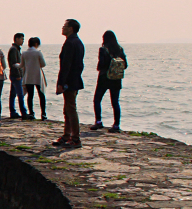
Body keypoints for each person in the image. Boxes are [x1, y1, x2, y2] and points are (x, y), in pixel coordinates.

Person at [89, 30, 128, 133]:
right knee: (115, 102)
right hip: (116, 79)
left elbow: (101, 64)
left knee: (97, 99)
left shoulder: (103, 49)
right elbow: (125, 65)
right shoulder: (120, 49)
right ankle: (116, 125)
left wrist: (99, 67)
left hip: (104, 78)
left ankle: (98, 121)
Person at [53, 19, 85, 147]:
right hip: (75, 79)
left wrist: (61, 82)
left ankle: (75, 138)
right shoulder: (78, 42)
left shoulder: (70, 43)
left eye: (64, 26)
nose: (62, 28)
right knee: (68, 109)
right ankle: (67, 135)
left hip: (70, 81)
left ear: (71, 28)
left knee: (70, 109)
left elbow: (66, 65)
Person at [22, 37, 46, 120]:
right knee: (41, 94)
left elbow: (22, 65)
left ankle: (31, 113)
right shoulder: (38, 53)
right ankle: (43, 113)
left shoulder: (24, 53)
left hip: (28, 76)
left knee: (30, 95)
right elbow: (43, 64)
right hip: (37, 76)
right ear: (36, 44)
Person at [7, 33, 29, 119]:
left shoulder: (16, 49)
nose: (23, 41)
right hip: (16, 76)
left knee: (13, 94)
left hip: (15, 75)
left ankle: (13, 112)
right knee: (20, 94)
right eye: (21, 39)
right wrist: (18, 75)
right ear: (16, 39)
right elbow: (14, 63)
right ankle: (23, 112)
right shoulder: (14, 50)